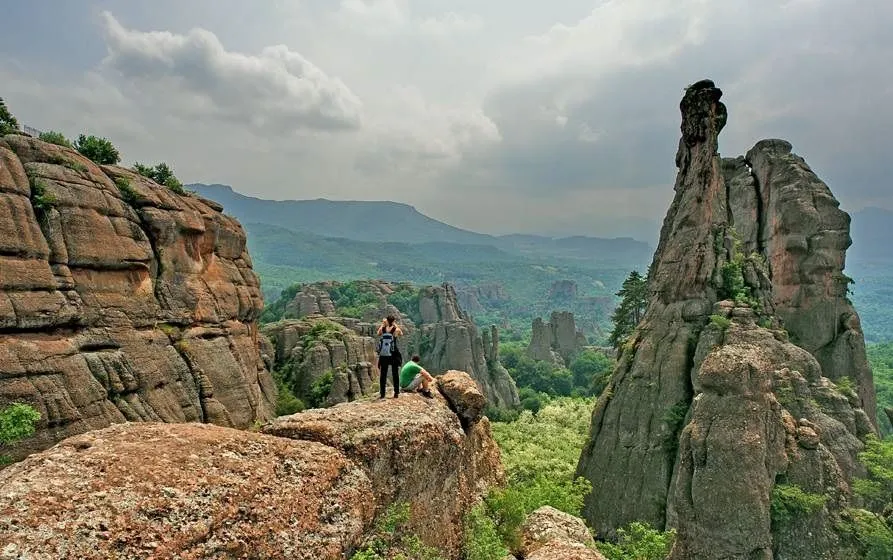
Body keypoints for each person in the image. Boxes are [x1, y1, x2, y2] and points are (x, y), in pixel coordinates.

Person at [377, 315, 403, 399]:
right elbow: (401, 334)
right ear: (394, 320)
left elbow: (378, 333)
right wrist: (395, 325)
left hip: (384, 354)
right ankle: (396, 393)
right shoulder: (395, 329)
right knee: (395, 373)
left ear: (387, 320)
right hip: (394, 353)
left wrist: (383, 324)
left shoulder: (383, 329)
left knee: (383, 374)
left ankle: (382, 394)